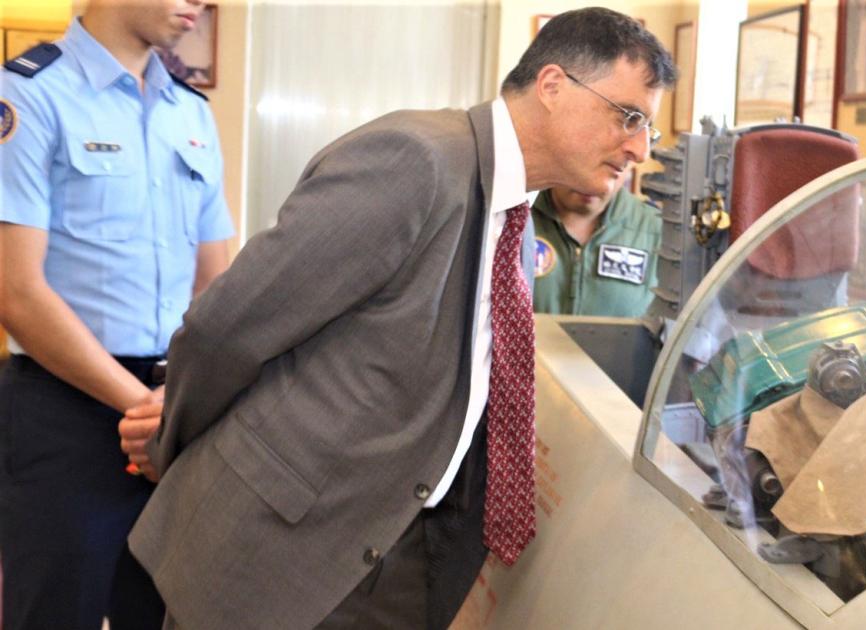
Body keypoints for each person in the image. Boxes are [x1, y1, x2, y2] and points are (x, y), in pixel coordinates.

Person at [118, 8, 675, 629]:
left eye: (647, 126)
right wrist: (176, 442)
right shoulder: (418, 160)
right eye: (628, 116)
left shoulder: (514, 216)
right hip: (283, 555)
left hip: (395, 551)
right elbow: (230, 327)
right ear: (552, 86)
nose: (640, 148)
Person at [0, 0, 234, 628]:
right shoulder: (27, 95)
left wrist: (179, 407)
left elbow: (215, 281)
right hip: (66, 412)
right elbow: (16, 292)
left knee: (160, 614)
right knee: (57, 612)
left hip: (174, 406)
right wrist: (144, 409)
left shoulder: (191, 113)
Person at [532, 175, 662, 317]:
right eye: (580, 159)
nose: (591, 183)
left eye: (609, 165)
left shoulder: (658, 230)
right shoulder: (513, 216)